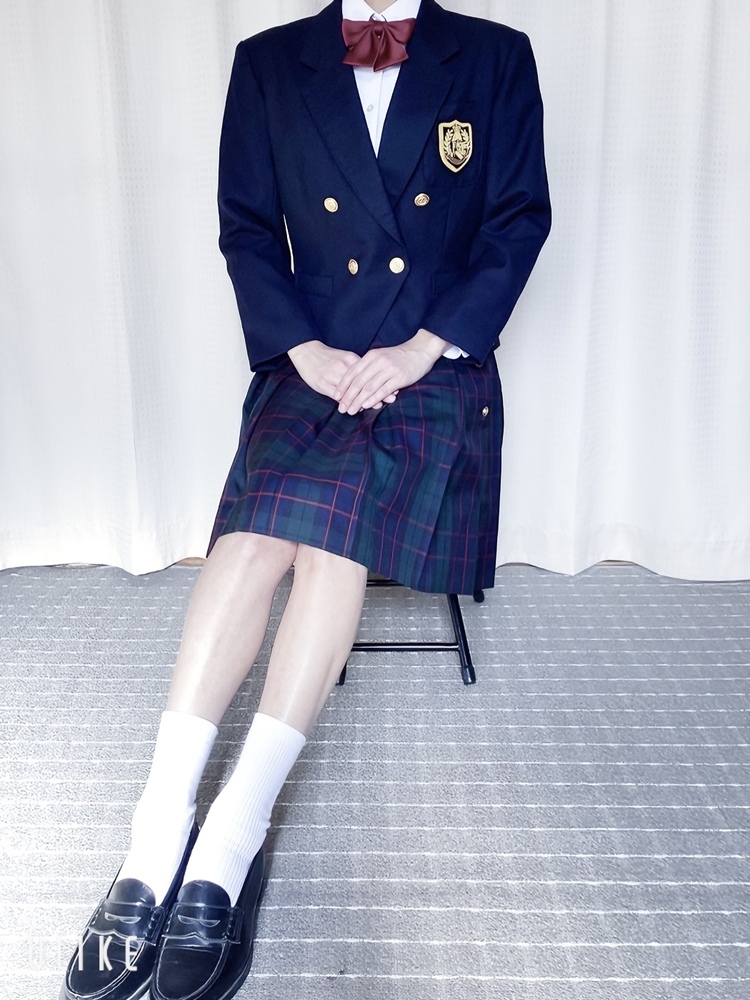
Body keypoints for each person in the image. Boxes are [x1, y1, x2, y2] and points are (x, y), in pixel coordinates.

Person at [60, 1, 551, 998]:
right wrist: (301, 348)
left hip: (432, 367)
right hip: (312, 360)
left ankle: (232, 833)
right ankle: (155, 834)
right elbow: (247, 227)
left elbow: (517, 221)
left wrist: (419, 349)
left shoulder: (497, 56)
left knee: (331, 543)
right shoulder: (269, 60)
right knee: (250, 541)